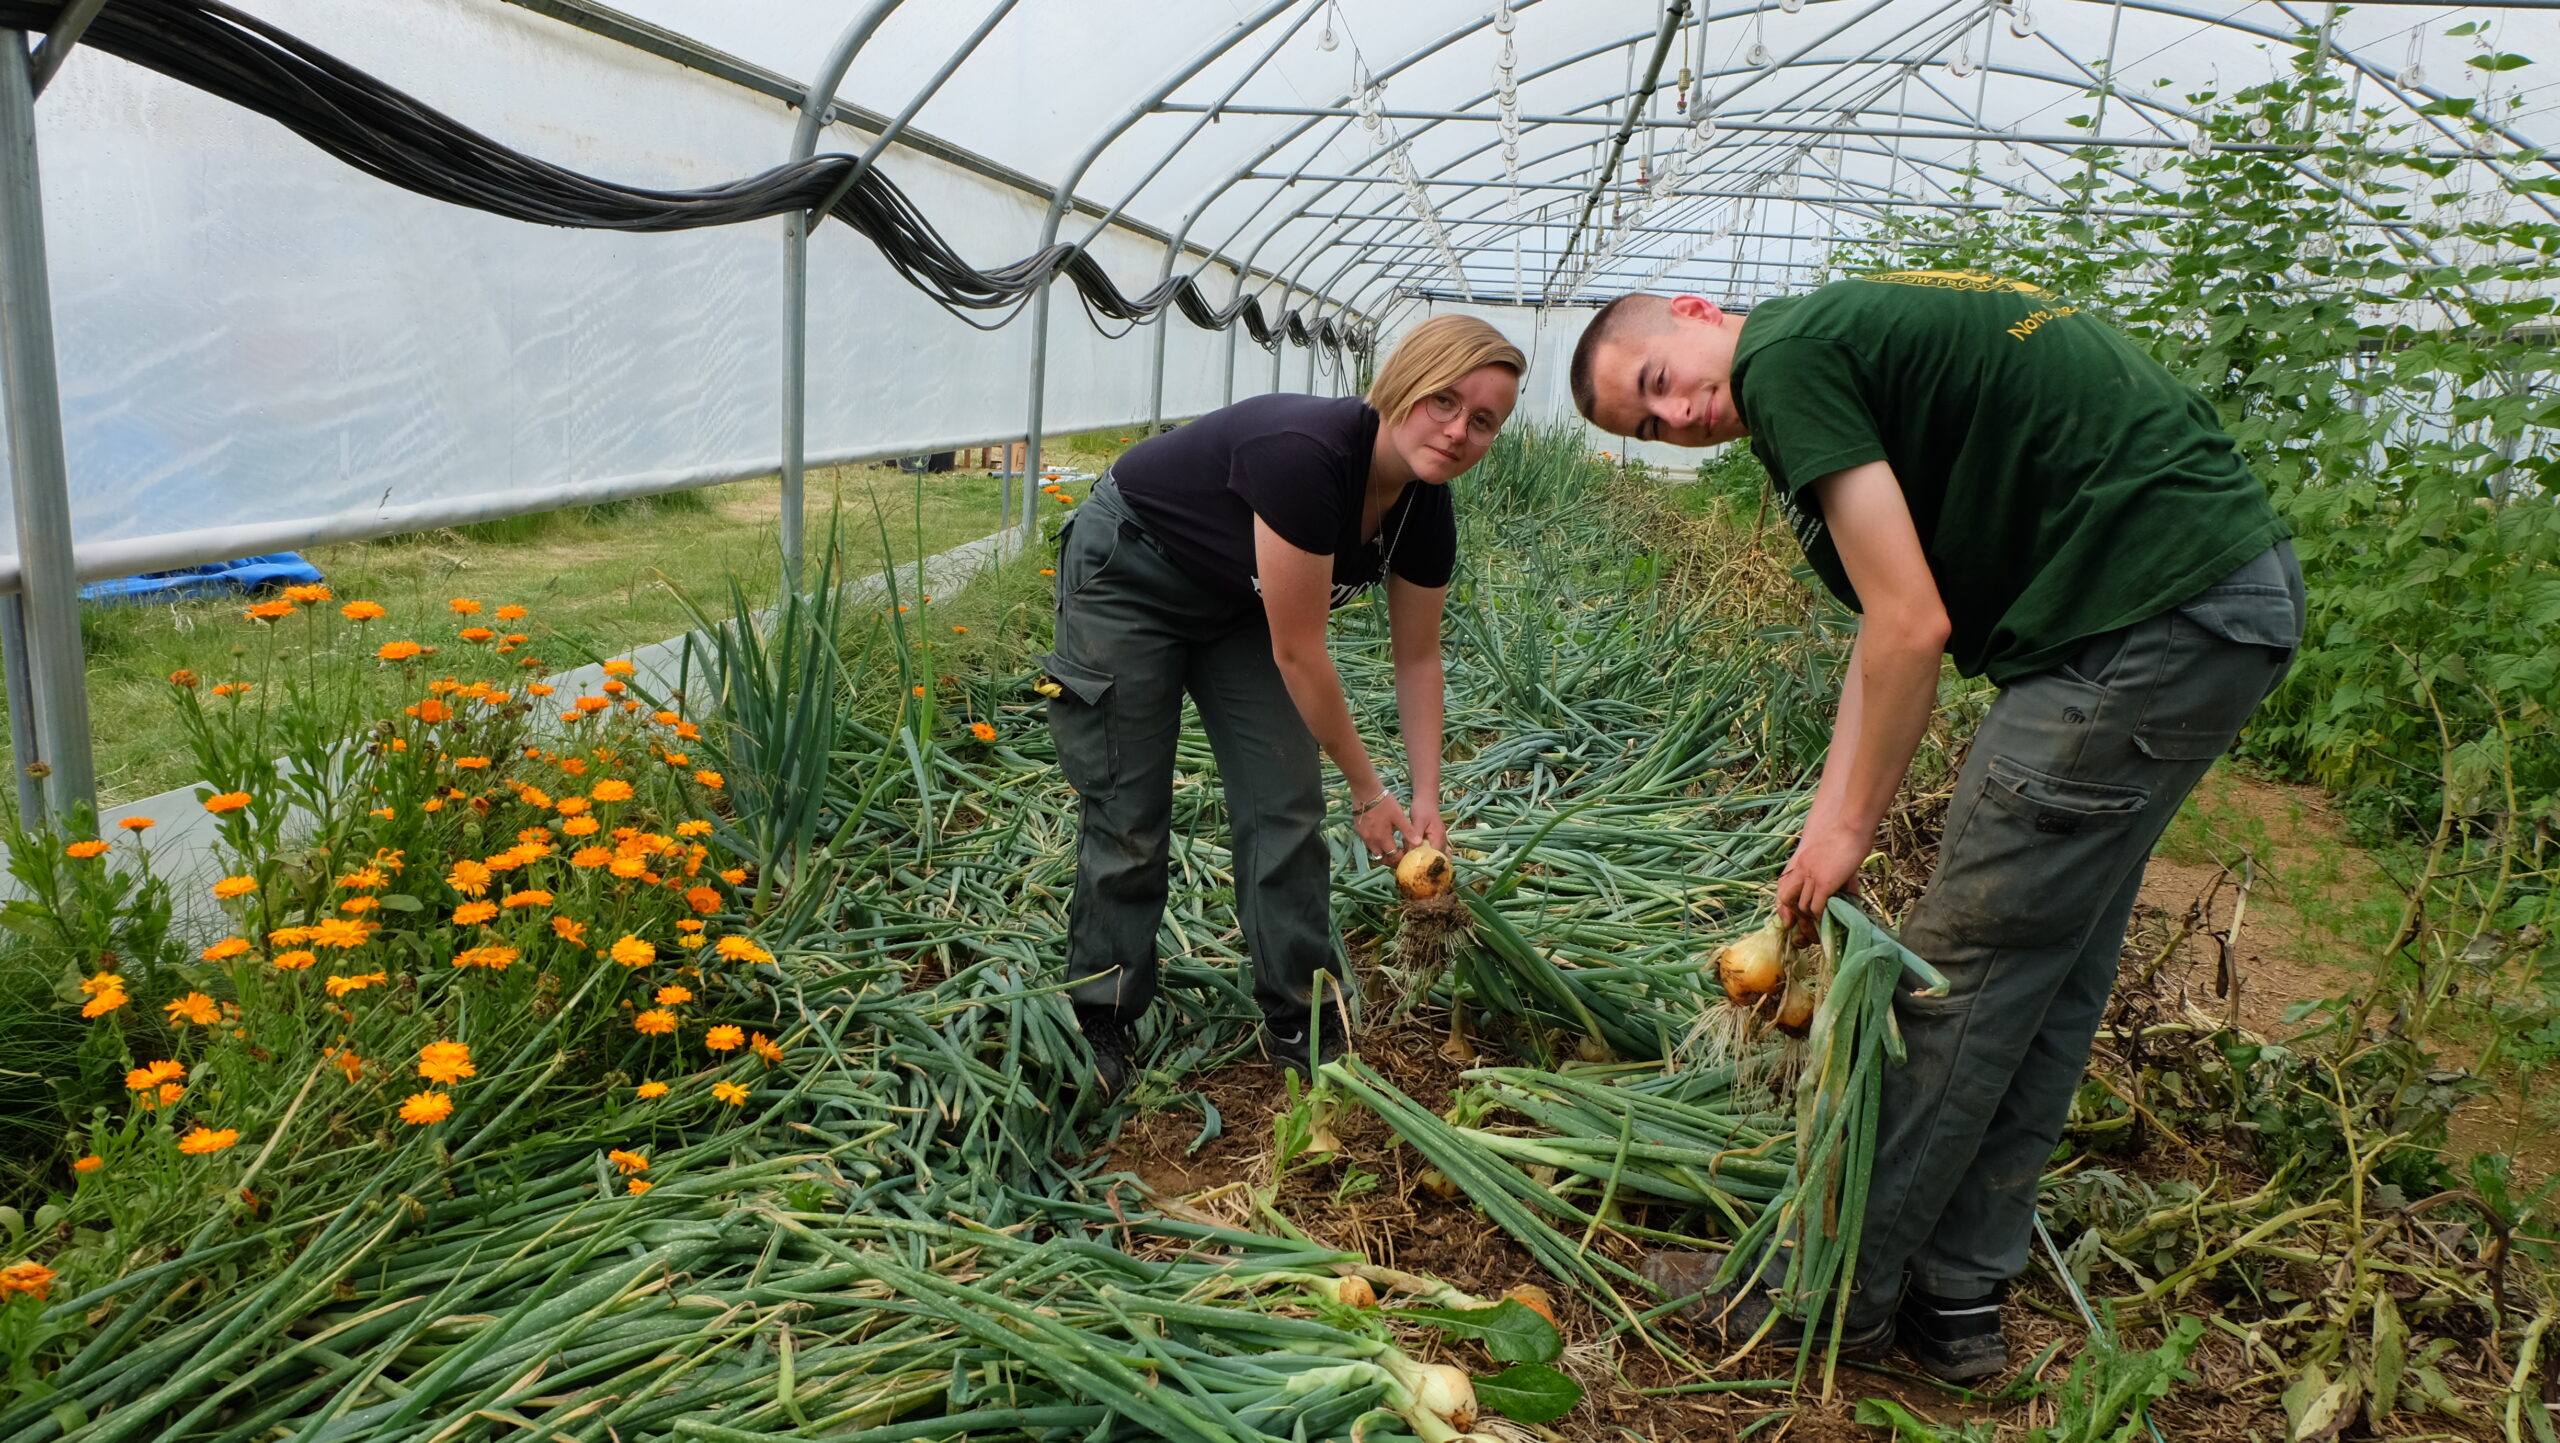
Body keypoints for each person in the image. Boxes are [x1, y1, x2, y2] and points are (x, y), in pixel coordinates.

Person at [1568, 272, 2303, 1383]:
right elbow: (1882, 619)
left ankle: (1814, 1296)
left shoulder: (1784, 359)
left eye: (1657, 383)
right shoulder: (1840, 339)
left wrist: (1850, 829)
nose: (1676, 419)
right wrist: (1821, 828)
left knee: (1955, 974)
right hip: (2208, 604)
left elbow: (1914, 626)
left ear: (1695, 313)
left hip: (2136, 616)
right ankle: (1955, 1301)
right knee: (2044, 973)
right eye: (1648, 425)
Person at [1045, 315, 1524, 1096]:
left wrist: (1429, 797)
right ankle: (1102, 1013)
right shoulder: (1311, 456)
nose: (1458, 431)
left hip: (1238, 601)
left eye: (1483, 421)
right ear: (1401, 383)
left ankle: (1301, 1010)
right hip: (1133, 572)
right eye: (1444, 400)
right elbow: (1301, 653)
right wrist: (1372, 795)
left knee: (1287, 801)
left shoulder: (1423, 508)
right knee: (1128, 809)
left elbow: (1418, 657)